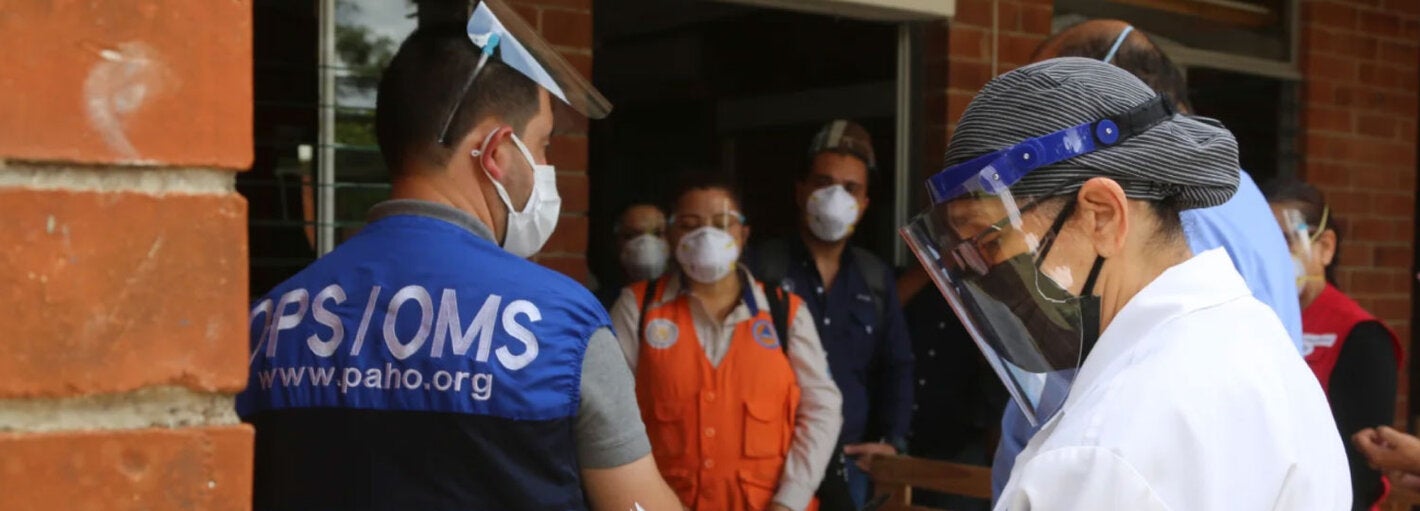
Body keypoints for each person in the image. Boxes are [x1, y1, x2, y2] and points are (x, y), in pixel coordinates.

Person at [237, 4, 681, 510]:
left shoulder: (268, 321)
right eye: (543, 144)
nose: (546, 165)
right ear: (497, 152)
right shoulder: (563, 324)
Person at [902, 57, 1349, 509]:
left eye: (986, 240)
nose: (979, 272)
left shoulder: (1104, 449)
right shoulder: (1262, 353)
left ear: (1102, 214)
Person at [990, 19, 1308, 498]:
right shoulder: (1233, 191)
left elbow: (1091, 396)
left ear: (1104, 96)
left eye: (1044, 105)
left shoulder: (1162, 205)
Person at [610, 172, 843, 511]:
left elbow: (822, 408)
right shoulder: (637, 308)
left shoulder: (784, 313)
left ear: (743, 234)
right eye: (690, 224)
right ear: (672, 234)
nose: (707, 236)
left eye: (722, 224)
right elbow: (608, 414)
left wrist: (789, 501)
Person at [744, 119, 914, 508]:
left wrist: (892, 442)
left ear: (865, 203)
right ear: (800, 191)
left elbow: (897, 365)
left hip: (851, 467)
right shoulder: (762, 268)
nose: (835, 196)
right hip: (773, 464)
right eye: (823, 182)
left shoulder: (874, 278)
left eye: (851, 188)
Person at [1264, 178, 1402, 510]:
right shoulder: (1256, 320)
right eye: (1263, 244)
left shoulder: (1361, 335)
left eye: (1285, 242)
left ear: (1325, 246)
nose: (1272, 257)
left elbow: (1362, 467)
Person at [896, 264, 1005, 511]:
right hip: (906, 440)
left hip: (961, 440)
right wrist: (932, 265)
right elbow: (881, 314)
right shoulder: (910, 278)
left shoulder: (988, 288)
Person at [598, 202, 669, 307]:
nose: (646, 244)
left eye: (657, 234)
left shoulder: (689, 300)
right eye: (631, 235)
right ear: (615, 243)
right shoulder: (598, 305)